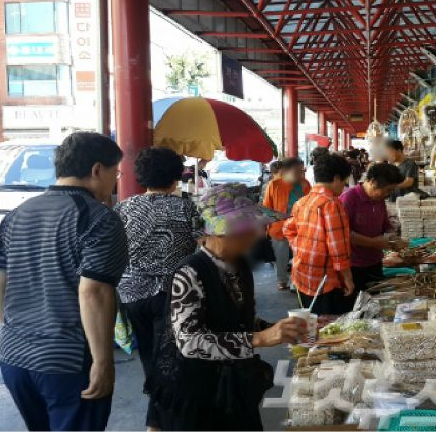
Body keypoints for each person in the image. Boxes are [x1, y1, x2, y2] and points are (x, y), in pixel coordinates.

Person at [0, 132, 128, 431]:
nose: (115, 181)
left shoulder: (16, 214)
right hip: (67, 362)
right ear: (97, 169)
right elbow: (93, 292)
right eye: (115, 173)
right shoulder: (98, 218)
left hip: (14, 358)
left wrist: (21, 331)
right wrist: (102, 362)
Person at [146, 184, 305, 430]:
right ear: (220, 232)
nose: (257, 235)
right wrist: (260, 338)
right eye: (248, 229)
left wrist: (279, 329)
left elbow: (238, 319)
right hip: (195, 391)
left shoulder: (239, 264)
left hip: (232, 385)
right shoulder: (190, 272)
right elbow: (190, 341)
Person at [113, 147, 200, 430]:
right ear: (176, 176)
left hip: (133, 294)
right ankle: (161, 421)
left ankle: (157, 420)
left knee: (152, 357)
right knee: (175, 362)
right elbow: (205, 245)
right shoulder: (186, 207)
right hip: (173, 295)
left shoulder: (124, 207)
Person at [283, 153, 354, 315]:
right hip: (325, 281)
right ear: (336, 178)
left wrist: (300, 248)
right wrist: (348, 278)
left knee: (311, 324)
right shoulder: (332, 204)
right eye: (344, 182)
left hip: (301, 275)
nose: (343, 186)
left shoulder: (302, 202)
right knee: (329, 328)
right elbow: (338, 249)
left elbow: (287, 229)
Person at [339, 163, 406, 299]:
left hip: (374, 262)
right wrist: (373, 242)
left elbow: (385, 225)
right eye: (388, 190)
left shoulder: (379, 199)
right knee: (355, 306)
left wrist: (392, 238)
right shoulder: (349, 198)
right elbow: (343, 233)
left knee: (374, 303)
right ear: (373, 182)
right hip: (354, 265)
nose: (388, 195)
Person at [262, 157, 311, 290]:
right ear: (285, 171)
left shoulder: (305, 184)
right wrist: (268, 224)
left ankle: (296, 281)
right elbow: (266, 207)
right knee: (281, 256)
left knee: (299, 256)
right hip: (279, 227)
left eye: (302, 171)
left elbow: (310, 204)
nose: (300, 174)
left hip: (300, 226)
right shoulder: (274, 184)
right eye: (297, 171)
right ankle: (282, 280)